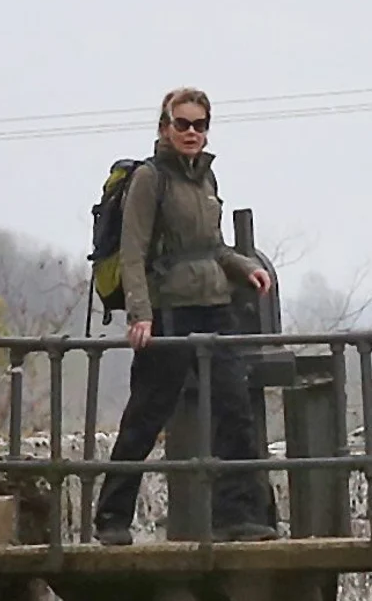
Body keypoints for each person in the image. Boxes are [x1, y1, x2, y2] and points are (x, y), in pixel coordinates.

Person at [92, 87, 278, 546]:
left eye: (199, 125)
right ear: (165, 127)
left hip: (215, 307)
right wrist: (140, 315)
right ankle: (112, 518)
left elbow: (212, 248)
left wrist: (245, 267)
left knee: (235, 410)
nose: (192, 133)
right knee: (146, 415)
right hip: (168, 310)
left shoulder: (206, 181)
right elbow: (133, 252)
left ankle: (238, 518)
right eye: (183, 124)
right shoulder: (150, 180)